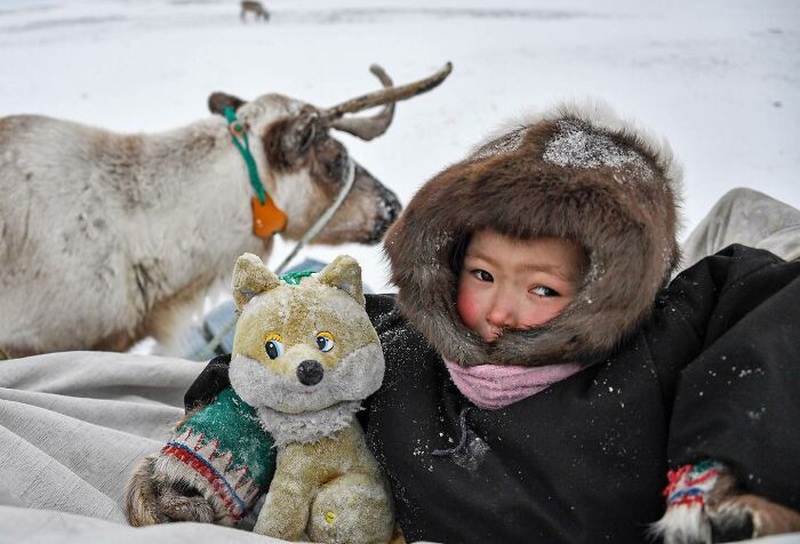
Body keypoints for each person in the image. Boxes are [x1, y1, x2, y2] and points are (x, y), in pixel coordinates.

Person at [181, 100, 800, 543]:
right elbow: (297, 328)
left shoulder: (661, 347)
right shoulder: (406, 353)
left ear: (606, 287)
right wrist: (231, 423)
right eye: (482, 275)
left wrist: (720, 467)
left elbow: (766, 308)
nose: (500, 312)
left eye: (541, 287)